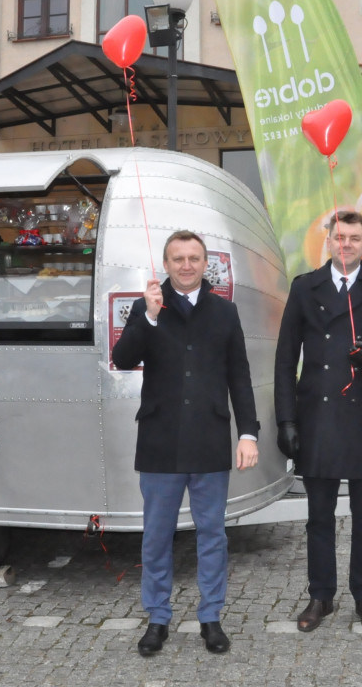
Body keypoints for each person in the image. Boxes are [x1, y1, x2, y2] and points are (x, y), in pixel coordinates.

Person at [111, 230, 259, 657]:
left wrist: (248, 433)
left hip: (210, 439)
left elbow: (240, 377)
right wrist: (150, 317)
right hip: (160, 441)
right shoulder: (148, 306)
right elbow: (123, 359)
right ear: (167, 263)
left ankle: (210, 618)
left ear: (205, 263)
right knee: (156, 537)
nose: (187, 265)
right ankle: (157, 618)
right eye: (178, 258)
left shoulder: (225, 312)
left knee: (212, 535)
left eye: (194, 257)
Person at [274, 210, 362, 633]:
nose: (347, 244)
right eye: (340, 237)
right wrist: (286, 419)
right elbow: (284, 360)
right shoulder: (304, 288)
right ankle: (321, 595)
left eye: (355, 238)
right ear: (329, 242)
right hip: (317, 416)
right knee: (319, 514)